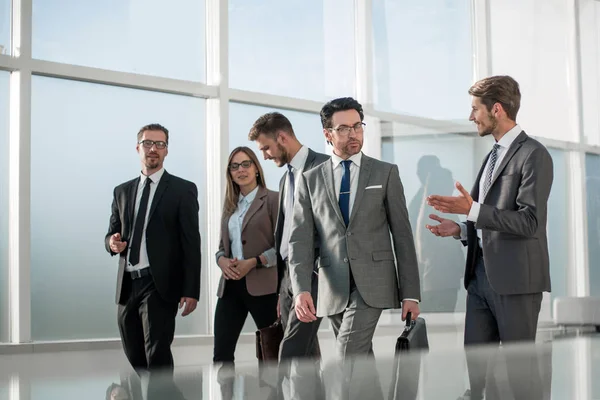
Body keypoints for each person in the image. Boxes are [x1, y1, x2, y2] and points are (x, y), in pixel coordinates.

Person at [425, 75, 553, 400]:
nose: (471, 117)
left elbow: (529, 221)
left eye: (475, 109)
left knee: (519, 379)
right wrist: (461, 230)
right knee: (478, 373)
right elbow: (485, 217)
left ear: (496, 109)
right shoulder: (492, 155)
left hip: (516, 283)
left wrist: (473, 211)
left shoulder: (533, 155)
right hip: (479, 279)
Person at [289, 97, 421, 358]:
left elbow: (403, 236)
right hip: (332, 285)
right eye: (344, 128)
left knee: (346, 354)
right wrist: (301, 289)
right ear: (328, 134)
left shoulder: (385, 173)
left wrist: (411, 293)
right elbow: (300, 240)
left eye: (357, 126)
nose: (354, 134)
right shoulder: (310, 180)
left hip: (374, 282)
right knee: (359, 362)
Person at [105, 123, 201, 375]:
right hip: (127, 283)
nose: (153, 149)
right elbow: (111, 232)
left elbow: (191, 242)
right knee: (133, 351)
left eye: (160, 144)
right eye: (148, 143)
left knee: (157, 354)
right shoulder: (122, 191)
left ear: (167, 151)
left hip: (159, 284)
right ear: (138, 148)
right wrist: (112, 243)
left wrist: (191, 290)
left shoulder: (183, 189)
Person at [249, 112, 329, 360]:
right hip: (287, 280)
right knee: (306, 353)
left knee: (289, 353)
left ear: (282, 137)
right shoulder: (286, 179)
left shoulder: (326, 167)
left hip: (315, 273)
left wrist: (315, 272)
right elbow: (284, 237)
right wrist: (282, 289)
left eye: (266, 148)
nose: (264, 156)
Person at [213, 146, 279, 364]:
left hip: (264, 288)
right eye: (234, 166)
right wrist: (221, 260)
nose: (240, 170)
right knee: (221, 354)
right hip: (230, 286)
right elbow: (222, 247)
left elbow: (284, 248)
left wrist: (254, 262)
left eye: (245, 164)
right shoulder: (229, 205)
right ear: (230, 173)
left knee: (270, 354)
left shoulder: (273, 200)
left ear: (256, 169)